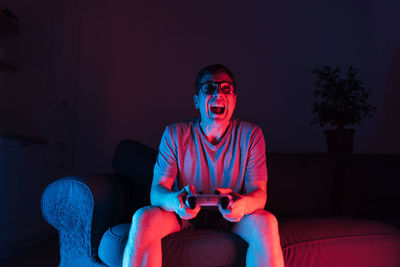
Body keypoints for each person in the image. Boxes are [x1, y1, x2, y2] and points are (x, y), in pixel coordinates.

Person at [122, 64, 284, 267]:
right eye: (209, 88)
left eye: (226, 89)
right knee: (143, 217)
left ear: (234, 100)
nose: (218, 94)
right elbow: (157, 192)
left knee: (267, 222)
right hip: (183, 216)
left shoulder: (251, 135)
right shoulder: (175, 134)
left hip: (233, 217)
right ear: (196, 100)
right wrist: (177, 201)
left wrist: (241, 204)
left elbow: (259, 194)